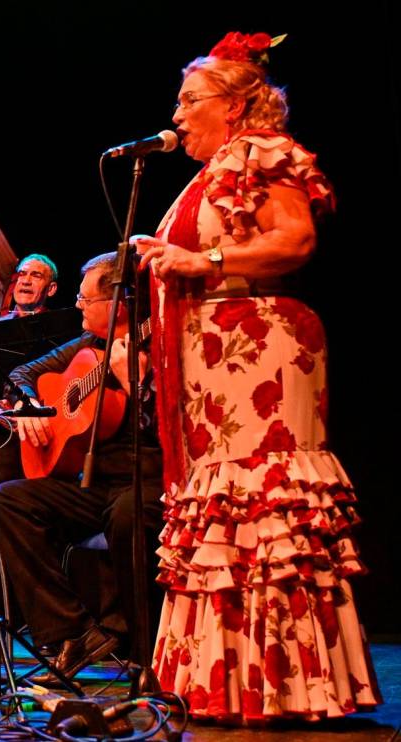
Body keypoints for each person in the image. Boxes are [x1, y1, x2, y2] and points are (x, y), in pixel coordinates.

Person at [134, 31, 378, 721]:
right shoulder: (207, 172)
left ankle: (288, 684)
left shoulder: (262, 154)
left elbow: (295, 239)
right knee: (228, 518)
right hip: (213, 358)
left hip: (260, 347)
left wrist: (201, 262)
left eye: (189, 101)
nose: (177, 115)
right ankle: (231, 681)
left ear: (237, 106)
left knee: (267, 512)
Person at [0, 253, 162, 684]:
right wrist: (29, 405)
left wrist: (134, 387)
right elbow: (22, 372)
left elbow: (175, 423)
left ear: (118, 304)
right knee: (8, 500)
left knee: (129, 515)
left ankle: (146, 651)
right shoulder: (87, 347)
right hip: (92, 482)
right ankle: (73, 631)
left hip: (148, 477)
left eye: (86, 299)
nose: (79, 306)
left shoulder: (158, 341)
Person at [0, 253, 60, 320]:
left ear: (51, 289)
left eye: (36, 276)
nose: (26, 281)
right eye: (21, 274)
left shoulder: (62, 325)